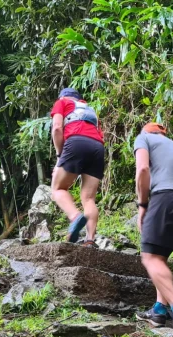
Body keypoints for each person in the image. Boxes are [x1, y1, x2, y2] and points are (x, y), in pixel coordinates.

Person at [132, 123, 173, 330]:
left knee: (149, 257)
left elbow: (143, 168)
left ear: (146, 132)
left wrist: (143, 205)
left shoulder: (143, 139)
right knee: (159, 257)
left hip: (166, 197)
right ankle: (159, 310)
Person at [49, 88, 105, 245]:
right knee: (88, 198)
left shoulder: (62, 102)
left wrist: (60, 156)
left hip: (76, 142)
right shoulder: (90, 109)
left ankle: (75, 217)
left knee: (57, 189)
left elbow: (57, 128)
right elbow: (99, 134)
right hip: (98, 147)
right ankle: (90, 240)